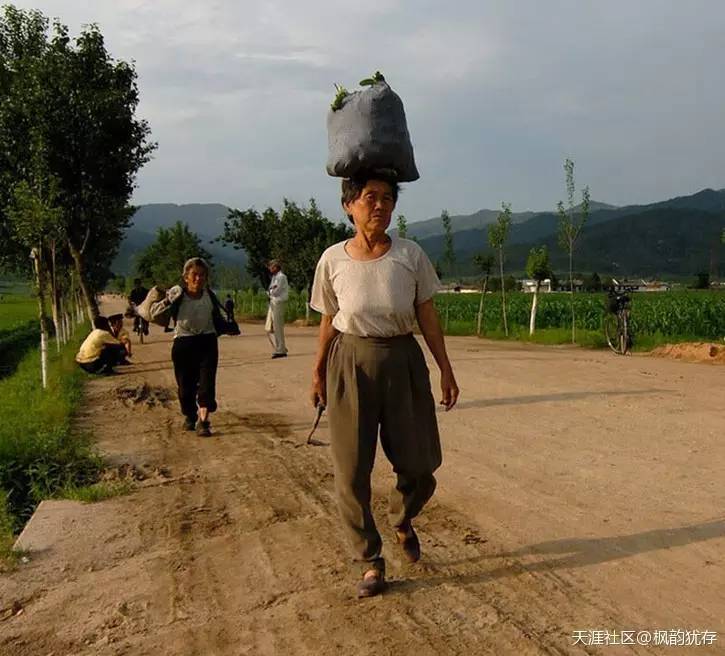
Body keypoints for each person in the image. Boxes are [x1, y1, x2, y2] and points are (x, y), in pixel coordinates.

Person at [310, 174, 460, 599]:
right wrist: (318, 371)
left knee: (421, 463)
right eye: (370, 197)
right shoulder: (332, 260)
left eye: (388, 198)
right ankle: (370, 561)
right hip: (349, 362)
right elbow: (327, 319)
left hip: (403, 360)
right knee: (351, 470)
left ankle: (400, 514)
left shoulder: (410, 255)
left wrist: (445, 368)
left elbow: (427, 316)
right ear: (349, 206)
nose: (380, 205)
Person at [150, 257, 220, 437]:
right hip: (184, 343)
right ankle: (189, 415)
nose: (198, 279)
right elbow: (153, 313)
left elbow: (218, 316)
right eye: (194, 275)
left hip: (207, 342)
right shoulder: (178, 295)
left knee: (206, 383)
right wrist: (167, 300)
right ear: (185, 277)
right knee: (185, 387)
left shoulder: (209, 295)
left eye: (202, 275)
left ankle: (203, 421)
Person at [265, 259, 289, 359]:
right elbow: (272, 289)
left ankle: (281, 349)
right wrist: (270, 291)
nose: (270, 269)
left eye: (271, 267)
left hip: (278, 302)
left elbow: (276, 291)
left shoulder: (281, 277)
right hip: (273, 303)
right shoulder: (275, 277)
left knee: (277, 326)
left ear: (276, 267)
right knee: (269, 327)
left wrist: (269, 292)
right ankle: (280, 347)